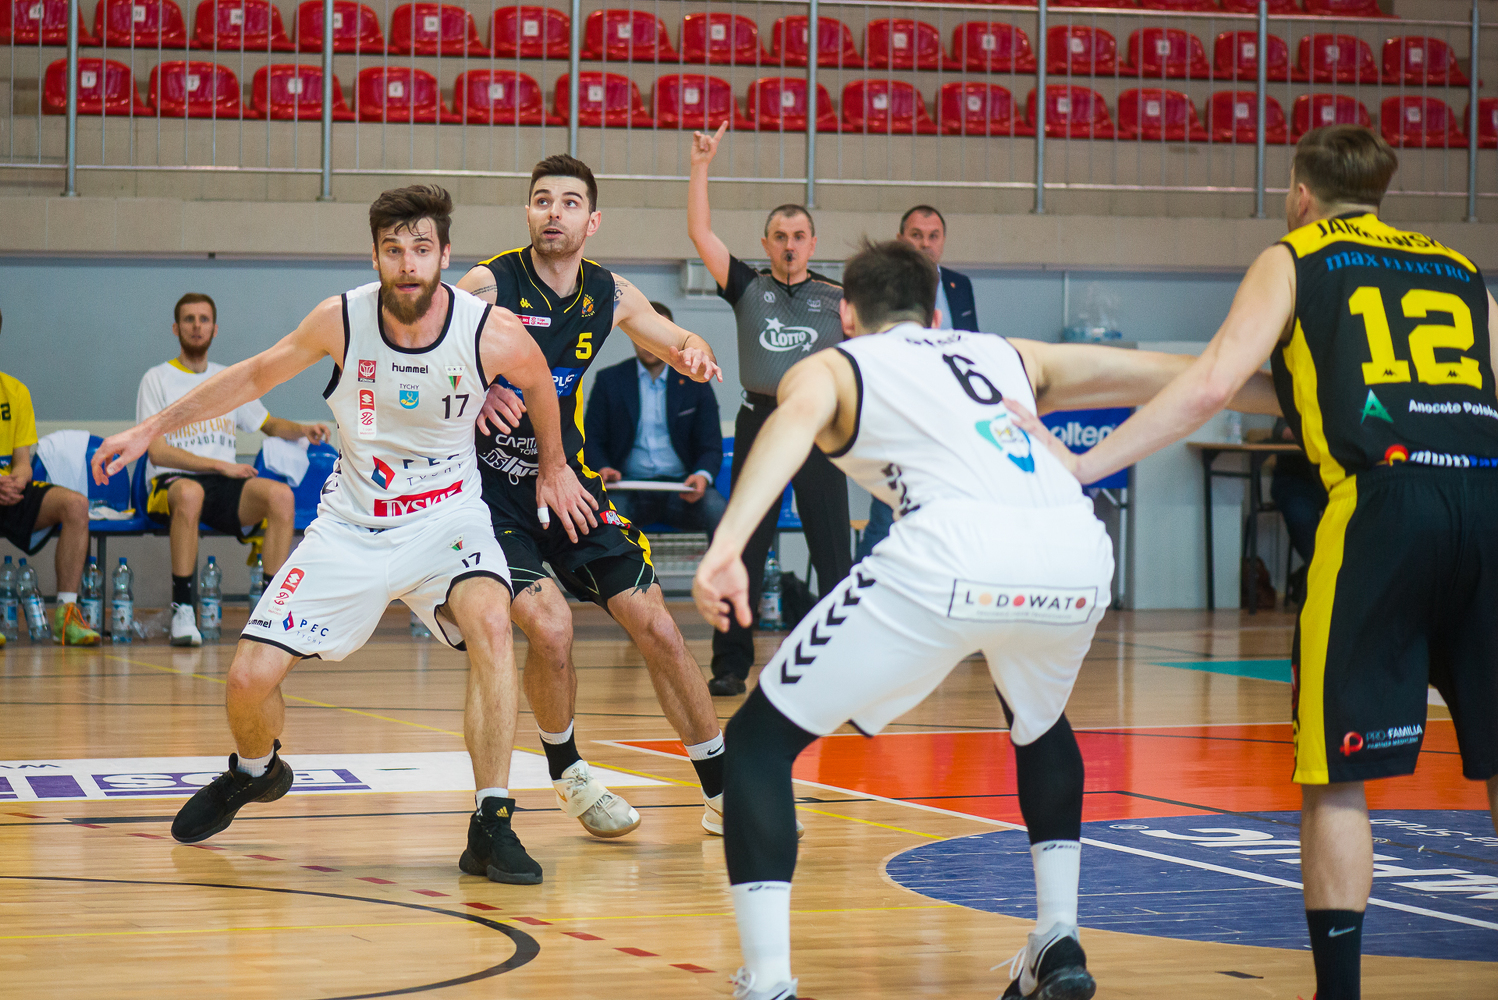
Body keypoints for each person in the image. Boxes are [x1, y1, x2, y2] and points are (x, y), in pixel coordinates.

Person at [691, 239, 1280, 1000]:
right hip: (1075, 553)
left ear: (847, 314)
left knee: (757, 745)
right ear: (935, 312)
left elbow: (791, 420)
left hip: (954, 553)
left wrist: (729, 544)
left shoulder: (836, 363)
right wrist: (1306, 394)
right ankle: (1057, 937)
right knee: (1038, 720)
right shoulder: (1010, 354)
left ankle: (768, 981)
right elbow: (1195, 374)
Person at [1005, 125, 1498, 1000]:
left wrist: (1085, 464)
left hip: (1382, 507)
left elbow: (1211, 385)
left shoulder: (1295, 255)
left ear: (1301, 193)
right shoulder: (1461, 269)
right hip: (1488, 499)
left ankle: (1338, 993)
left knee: (1336, 775)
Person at [93, 185, 596, 886]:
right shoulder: (341, 319)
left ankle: (491, 821)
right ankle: (255, 771)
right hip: (351, 527)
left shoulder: (490, 330)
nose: (408, 263)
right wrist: (150, 428)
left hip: (448, 521)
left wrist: (553, 466)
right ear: (375, 257)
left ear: (445, 255)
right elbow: (253, 375)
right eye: (394, 249)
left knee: (492, 625)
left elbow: (540, 382)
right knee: (246, 682)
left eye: (422, 248)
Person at [455, 155, 734, 841]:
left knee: (658, 626)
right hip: (490, 499)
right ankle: (570, 773)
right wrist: (472, 389)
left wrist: (694, 348)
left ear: (593, 221)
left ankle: (724, 793)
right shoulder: (488, 285)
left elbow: (674, 338)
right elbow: (426, 355)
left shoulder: (609, 292)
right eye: (542, 200)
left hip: (568, 485)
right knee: (551, 628)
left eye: (570, 202)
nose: (554, 211)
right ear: (528, 213)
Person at [688, 122, 852, 696]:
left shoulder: (839, 298)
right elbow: (700, 232)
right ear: (766, 243)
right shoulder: (747, 287)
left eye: (799, 235)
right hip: (760, 421)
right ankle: (731, 664)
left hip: (820, 427)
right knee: (745, 545)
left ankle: (839, 661)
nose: (789, 244)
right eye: (780, 235)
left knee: (833, 551)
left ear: (812, 243)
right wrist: (701, 166)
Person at [136, 293, 331, 647]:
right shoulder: (156, 379)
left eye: (204, 319)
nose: (197, 326)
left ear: (214, 329)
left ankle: (270, 611)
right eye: (189, 319)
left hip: (223, 483)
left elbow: (269, 424)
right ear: (176, 328)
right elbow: (157, 451)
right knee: (191, 493)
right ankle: (183, 609)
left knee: (280, 496)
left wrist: (303, 430)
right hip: (174, 485)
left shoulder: (227, 378)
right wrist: (217, 464)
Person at [857, 205, 984, 560]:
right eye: (916, 235)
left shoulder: (959, 285)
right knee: (888, 513)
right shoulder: (881, 286)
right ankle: (865, 584)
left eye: (933, 236)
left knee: (948, 511)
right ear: (901, 239)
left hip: (951, 417)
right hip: (901, 411)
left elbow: (970, 344)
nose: (925, 244)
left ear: (943, 241)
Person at [584, 301, 727, 538]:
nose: (651, 342)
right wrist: (603, 468)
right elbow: (592, 439)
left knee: (718, 510)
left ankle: (722, 565)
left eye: (658, 335)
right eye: (644, 334)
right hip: (627, 486)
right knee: (604, 517)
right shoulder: (609, 380)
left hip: (682, 486)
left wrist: (702, 475)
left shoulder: (695, 382)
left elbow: (710, 444)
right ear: (632, 334)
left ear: (675, 338)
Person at [0, 306, 99, 646]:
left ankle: (67, 616)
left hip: (9, 490)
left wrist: (18, 479)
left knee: (75, 504)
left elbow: (23, 461)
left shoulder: (15, 391)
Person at [1269, 418, 1327, 609]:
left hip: (1333, 479)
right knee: (1301, 518)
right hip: (1294, 479)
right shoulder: (1294, 400)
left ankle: (1310, 578)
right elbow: (1282, 430)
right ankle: (1322, 579)